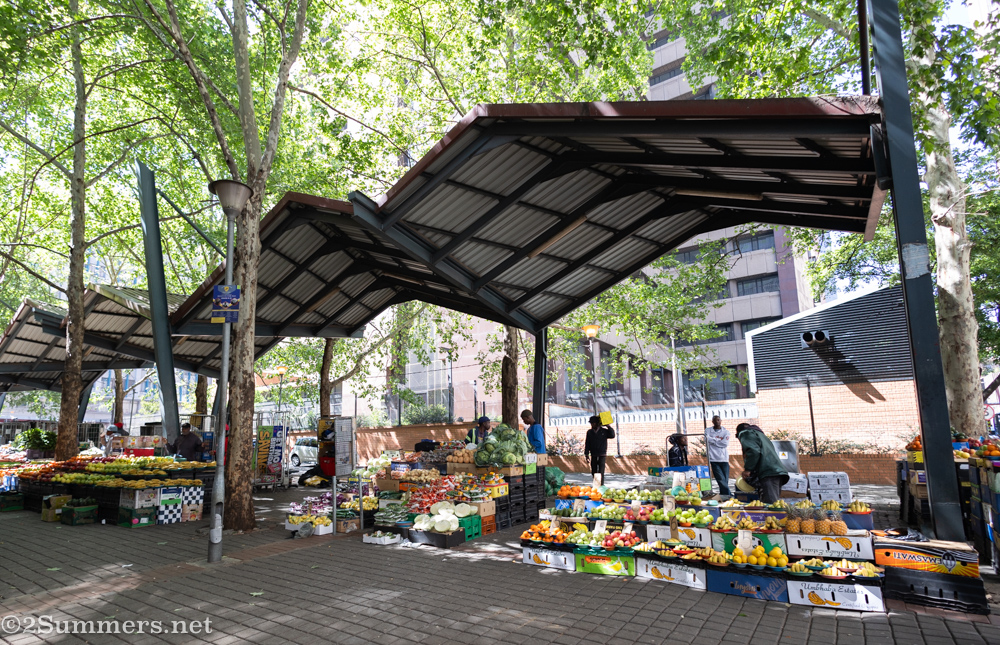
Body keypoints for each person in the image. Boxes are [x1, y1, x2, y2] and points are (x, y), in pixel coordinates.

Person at [735, 423, 789, 503]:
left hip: (768, 473)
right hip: (776, 471)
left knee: (769, 506)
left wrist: (748, 470)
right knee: (775, 504)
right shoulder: (760, 435)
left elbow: (753, 451)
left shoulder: (745, 433)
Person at [584, 415, 615, 486]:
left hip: (602, 454)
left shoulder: (604, 431)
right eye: (591, 423)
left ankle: (601, 485)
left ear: (597, 423)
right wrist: (586, 454)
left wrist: (608, 426)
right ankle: (596, 484)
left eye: (593, 423)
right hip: (593, 454)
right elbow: (587, 443)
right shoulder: (589, 432)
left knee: (601, 471)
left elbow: (612, 435)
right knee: (594, 471)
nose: (592, 425)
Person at [705, 415, 731, 498]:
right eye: (715, 420)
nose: (717, 421)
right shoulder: (708, 430)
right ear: (712, 421)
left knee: (725, 480)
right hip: (713, 458)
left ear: (721, 421)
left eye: (718, 420)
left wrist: (713, 441)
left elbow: (725, 443)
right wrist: (719, 441)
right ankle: (728, 495)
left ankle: (724, 495)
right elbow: (706, 439)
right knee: (720, 478)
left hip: (724, 458)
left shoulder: (726, 431)